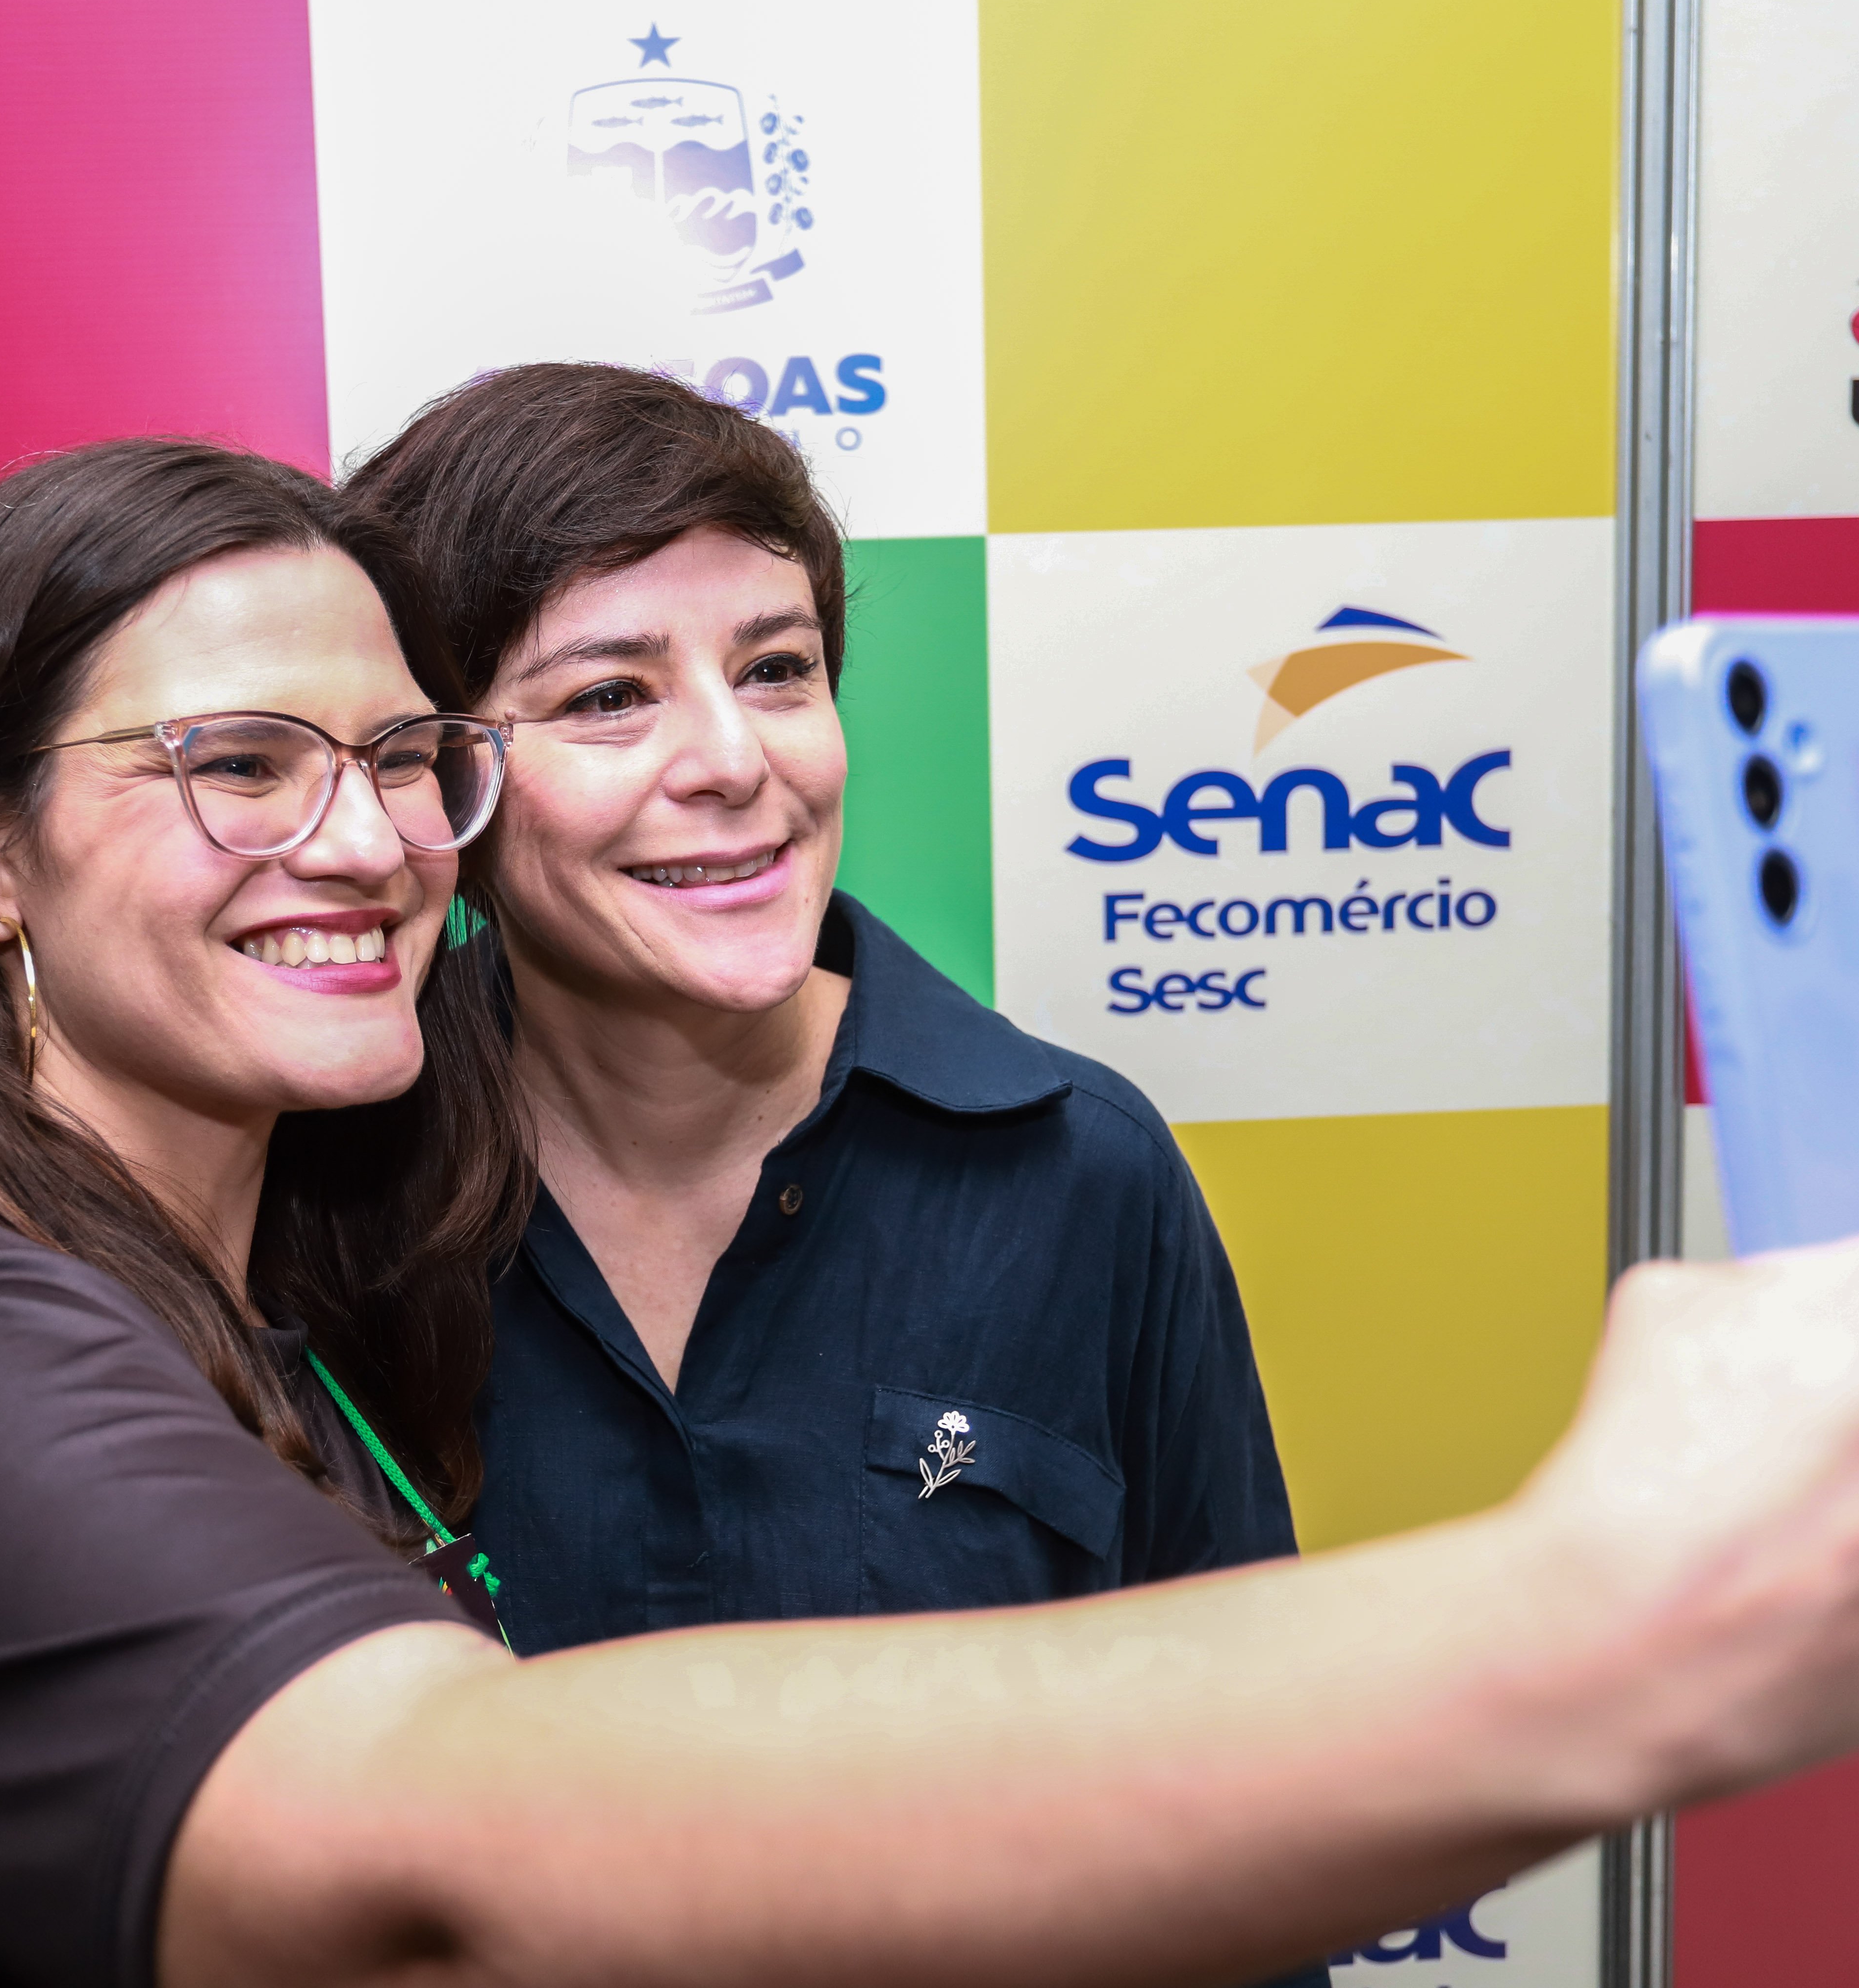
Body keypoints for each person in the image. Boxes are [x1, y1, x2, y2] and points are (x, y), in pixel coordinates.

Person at [0, 432, 1859, 1988]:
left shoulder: (231, 1263)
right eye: (234, 765)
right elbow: (434, 1833)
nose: (359, 841)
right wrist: (1620, 1615)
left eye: (397, 758)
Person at [344, 363, 1297, 1649]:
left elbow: (1238, 1705)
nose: (737, 762)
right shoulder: (322, 1190)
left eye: (777, 670)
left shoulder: (1083, 1170)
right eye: (610, 696)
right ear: (437, 776)